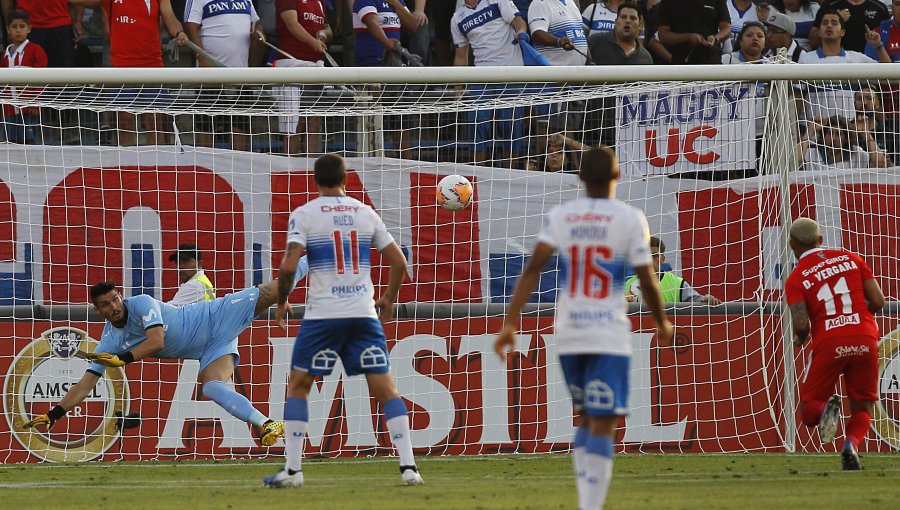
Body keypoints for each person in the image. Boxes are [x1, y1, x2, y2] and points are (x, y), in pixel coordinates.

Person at [494, 146, 673, 510]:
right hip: (608, 332)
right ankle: (590, 506)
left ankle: (586, 502)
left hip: (569, 331)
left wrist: (510, 322)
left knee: (587, 416)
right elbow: (647, 279)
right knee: (603, 421)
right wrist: (661, 320)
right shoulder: (630, 218)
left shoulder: (562, 215)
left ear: (579, 177)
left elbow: (532, 269)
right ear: (617, 176)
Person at [22, 258, 311, 446]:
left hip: (219, 315)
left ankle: (321, 253)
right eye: (107, 305)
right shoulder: (109, 341)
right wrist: (55, 413)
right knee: (212, 387)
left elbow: (157, 340)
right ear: (98, 311)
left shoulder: (142, 303)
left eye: (115, 299)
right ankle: (267, 423)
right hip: (212, 348)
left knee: (277, 286)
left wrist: (122, 359)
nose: (115, 306)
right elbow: (85, 385)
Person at [265, 153, 424, 488]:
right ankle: (409, 467)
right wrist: (388, 298)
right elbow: (399, 262)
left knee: (299, 386)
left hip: (323, 317)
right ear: (346, 179)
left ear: (315, 180)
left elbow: (289, 266)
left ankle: (293, 472)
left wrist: (282, 300)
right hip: (362, 315)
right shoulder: (365, 213)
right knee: (385, 388)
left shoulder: (305, 215)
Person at [784, 217, 885, 470]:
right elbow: (878, 300)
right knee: (862, 405)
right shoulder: (851, 258)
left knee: (809, 410)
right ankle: (851, 445)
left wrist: (801, 338)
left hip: (829, 341)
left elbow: (801, 324)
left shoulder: (796, 278)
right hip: (864, 337)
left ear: (792, 245)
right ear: (820, 240)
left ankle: (825, 413)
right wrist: (858, 319)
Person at [75, 0, 189, 147]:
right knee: (125, 122)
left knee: (154, 122)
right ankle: (126, 167)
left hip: (152, 65)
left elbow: (170, 17)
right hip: (122, 66)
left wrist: (179, 32)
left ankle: (157, 166)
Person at [452, 0, 529, 166]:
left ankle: (509, 178)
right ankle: (480, 176)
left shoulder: (498, 1)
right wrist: (457, 91)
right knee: (476, 123)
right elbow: (461, 56)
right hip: (482, 76)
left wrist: (521, 31)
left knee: (511, 127)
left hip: (511, 73)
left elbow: (519, 22)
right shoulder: (457, 18)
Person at [185, 0, 262, 152]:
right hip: (209, 77)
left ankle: (239, 171)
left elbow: (256, 22)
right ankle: (204, 170)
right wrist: (203, 62)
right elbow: (190, 27)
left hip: (241, 75)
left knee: (240, 127)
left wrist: (258, 31)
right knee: (206, 127)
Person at [273, 0, 333, 156]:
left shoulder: (319, 2)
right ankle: (289, 169)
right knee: (293, 125)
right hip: (291, 65)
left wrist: (323, 34)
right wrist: (312, 41)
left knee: (314, 122)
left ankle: (311, 170)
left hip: (315, 67)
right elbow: (292, 24)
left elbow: (327, 27)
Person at [624, 236, 722, 305]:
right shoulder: (627, 285)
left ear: (663, 259)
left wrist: (708, 299)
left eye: (654, 256)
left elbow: (698, 300)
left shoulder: (677, 284)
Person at [1, 9, 47, 145]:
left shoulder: (36, 50)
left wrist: (35, 102)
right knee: (12, 142)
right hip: (9, 109)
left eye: (22, 26)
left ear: (29, 29)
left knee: (29, 142)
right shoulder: (5, 55)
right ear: (8, 29)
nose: (18, 30)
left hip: (28, 109)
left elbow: (41, 79)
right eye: (14, 27)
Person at [657, 0, 731, 64]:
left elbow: (726, 29)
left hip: (711, 61)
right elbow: (663, 35)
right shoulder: (668, 2)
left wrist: (715, 38)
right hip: (680, 63)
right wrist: (688, 37)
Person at [809, 0, 889, 52]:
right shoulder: (830, 5)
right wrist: (836, 21)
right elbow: (813, 41)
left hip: (870, 63)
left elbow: (890, 40)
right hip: (837, 61)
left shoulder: (880, 8)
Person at [798, 115, 873, 170]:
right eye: (829, 133)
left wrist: (866, 133)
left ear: (846, 138)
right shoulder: (812, 154)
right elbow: (795, 163)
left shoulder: (856, 153)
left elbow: (880, 162)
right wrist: (810, 131)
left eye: (838, 134)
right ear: (823, 136)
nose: (833, 138)